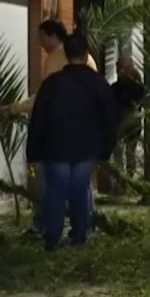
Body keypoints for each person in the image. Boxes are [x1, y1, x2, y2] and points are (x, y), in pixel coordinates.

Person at [1, 20, 99, 237]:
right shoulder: (86, 63)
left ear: (52, 36)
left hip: (60, 137)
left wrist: (14, 109)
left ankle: (50, 231)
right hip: (85, 139)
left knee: (55, 187)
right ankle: (82, 231)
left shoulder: (57, 59)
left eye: (41, 38)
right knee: (80, 187)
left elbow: (44, 99)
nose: (40, 43)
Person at [25, 33, 117, 252]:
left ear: (66, 54)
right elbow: (110, 118)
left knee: (55, 192)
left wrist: (33, 151)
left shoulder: (52, 84)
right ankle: (79, 236)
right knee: (79, 191)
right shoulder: (99, 84)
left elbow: (38, 118)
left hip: (56, 147)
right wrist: (106, 149)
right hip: (87, 149)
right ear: (86, 55)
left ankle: (52, 239)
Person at [111, 56, 145, 174]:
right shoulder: (138, 84)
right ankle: (130, 176)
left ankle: (121, 179)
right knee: (131, 151)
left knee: (118, 151)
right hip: (136, 119)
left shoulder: (118, 86)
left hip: (122, 119)